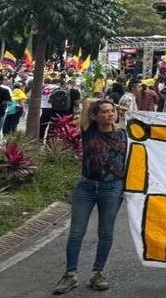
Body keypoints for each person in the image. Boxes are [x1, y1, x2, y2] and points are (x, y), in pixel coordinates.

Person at [54, 100, 127, 294]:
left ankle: (98, 272)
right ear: (95, 116)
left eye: (112, 111)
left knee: (105, 232)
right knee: (76, 232)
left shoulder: (124, 134)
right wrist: (110, 103)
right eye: (104, 112)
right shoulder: (89, 130)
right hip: (86, 187)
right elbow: (88, 101)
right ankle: (70, 274)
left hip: (112, 188)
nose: (110, 114)